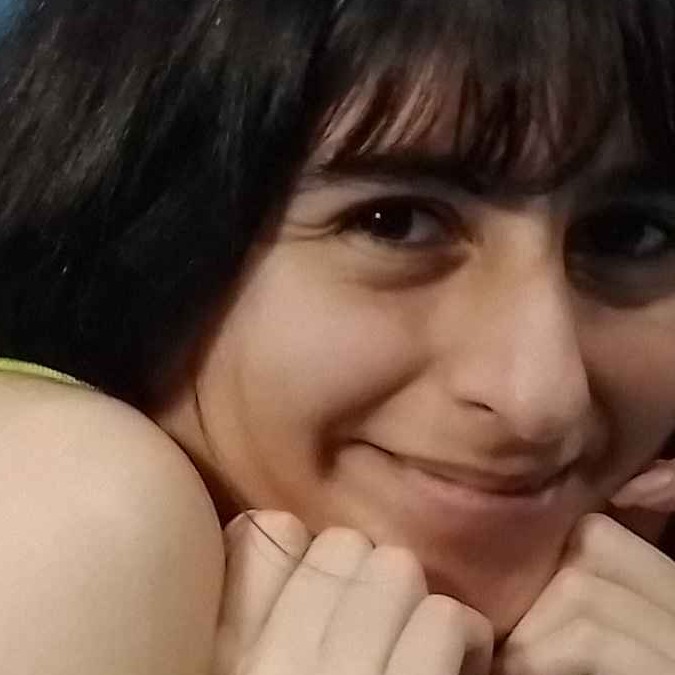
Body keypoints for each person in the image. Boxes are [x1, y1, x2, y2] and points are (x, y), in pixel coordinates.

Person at [1, 0, 675, 672]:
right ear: (135, 218)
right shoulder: (76, 495)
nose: (542, 397)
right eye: (394, 224)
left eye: (626, 235)